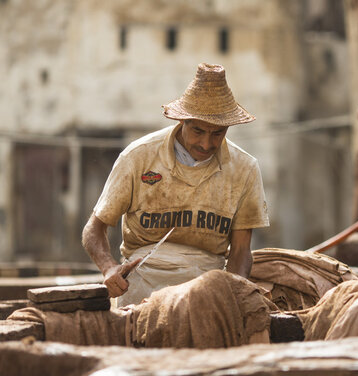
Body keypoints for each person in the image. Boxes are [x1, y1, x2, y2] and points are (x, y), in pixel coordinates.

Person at [82, 63, 270, 307]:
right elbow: (93, 229)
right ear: (183, 121)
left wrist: (231, 296)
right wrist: (108, 269)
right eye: (198, 131)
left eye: (217, 134)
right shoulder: (138, 157)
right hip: (141, 283)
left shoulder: (245, 168)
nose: (206, 143)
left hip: (207, 285)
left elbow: (241, 252)